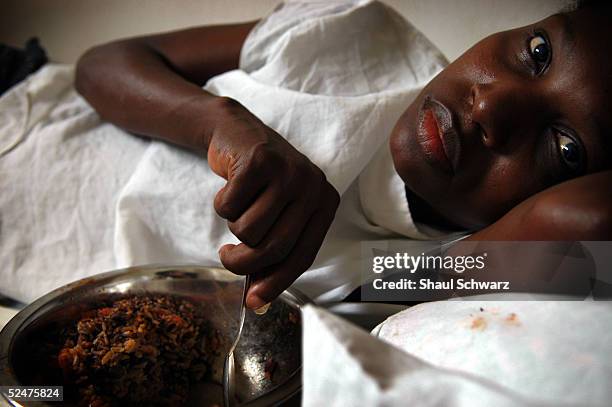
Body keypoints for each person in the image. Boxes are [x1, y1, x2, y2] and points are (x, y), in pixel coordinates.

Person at [1, 1, 610, 305]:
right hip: (20, 108)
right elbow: (101, 66)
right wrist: (220, 121)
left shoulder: (422, 270)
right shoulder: (356, 31)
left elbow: (588, 226)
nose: (491, 109)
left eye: (565, 148)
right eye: (537, 53)